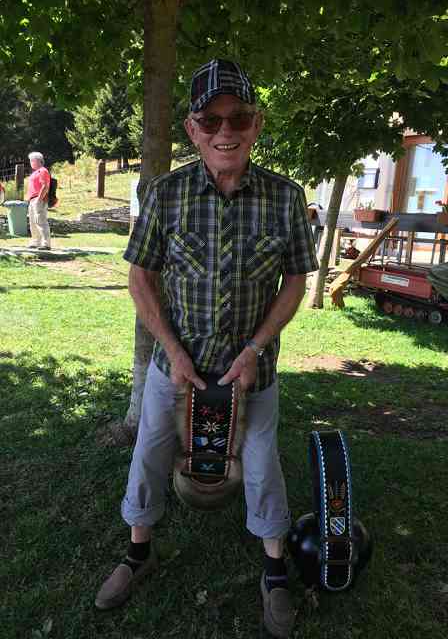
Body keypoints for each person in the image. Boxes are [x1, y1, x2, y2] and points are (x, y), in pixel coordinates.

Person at [95, 59, 319, 638]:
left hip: (254, 370)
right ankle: (138, 553)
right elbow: (140, 276)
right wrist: (172, 347)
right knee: (148, 454)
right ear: (192, 130)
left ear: (256, 124)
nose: (227, 129)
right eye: (211, 118)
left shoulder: (286, 197)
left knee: (264, 468)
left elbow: (295, 279)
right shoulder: (163, 195)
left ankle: (273, 571)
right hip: (175, 366)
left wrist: (256, 348)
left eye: (239, 117)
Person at [26, 151, 51, 250]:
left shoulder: (43, 171)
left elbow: (45, 186)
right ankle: (35, 242)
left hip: (38, 199)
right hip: (32, 200)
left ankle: (46, 243)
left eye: (32, 160)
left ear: (38, 160)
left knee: (40, 221)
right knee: (33, 222)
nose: (31, 162)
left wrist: (39, 199)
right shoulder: (35, 173)